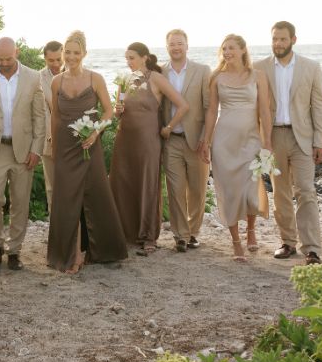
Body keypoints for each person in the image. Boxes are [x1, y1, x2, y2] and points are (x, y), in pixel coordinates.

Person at [46, 30, 128, 274]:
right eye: (67, 52)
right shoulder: (56, 82)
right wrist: (54, 148)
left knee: (94, 196)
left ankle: (100, 250)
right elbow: (56, 116)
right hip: (65, 147)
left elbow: (108, 111)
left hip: (89, 145)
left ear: (84, 54)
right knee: (66, 199)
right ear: (62, 53)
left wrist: (95, 133)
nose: (71, 57)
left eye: (76, 53)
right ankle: (73, 255)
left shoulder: (95, 79)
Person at [254, 22, 322, 264]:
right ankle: (287, 242)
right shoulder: (259, 67)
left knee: (306, 191)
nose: (278, 43)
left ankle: (312, 248)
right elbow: (254, 107)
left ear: (293, 40)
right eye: (274, 39)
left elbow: (318, 106)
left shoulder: (311, 67)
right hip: (273, 137)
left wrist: (319, 142)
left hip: (302, 138)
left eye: (283, 39)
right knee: (281, 192)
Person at [110, 42, 188, 255]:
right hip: (124, 138)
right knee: (122, 183)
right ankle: (124, 234)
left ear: (144, 57)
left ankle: (148, 238)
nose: (128, 62)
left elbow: (183, 105)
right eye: (126, 58)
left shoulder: (156, 78)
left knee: (147, 184)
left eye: (132, 58)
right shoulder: (124, 79)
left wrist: (169, 128)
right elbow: (118, 111)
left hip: (147, 141)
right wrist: (117, 110)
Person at [0, 38, 46, 270]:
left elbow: (39, 117)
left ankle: (14, 251)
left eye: (8, 58)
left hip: (24, 150)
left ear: (17, 52)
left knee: (20, 202)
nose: (4, 63)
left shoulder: (33, 77)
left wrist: (37, 149)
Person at [201, 36, 273, 263]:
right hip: (224, 141)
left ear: (243, 50)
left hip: (250, 139)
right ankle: (235, 242)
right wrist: (206, 141)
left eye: (231, 48)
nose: (227, 52)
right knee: (228, 191)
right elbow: (212, 111)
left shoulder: (258, 76)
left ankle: (251, 230)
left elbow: (264, 111)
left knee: (250, 190)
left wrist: (267, 141)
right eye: (224, 48)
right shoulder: (216, 77)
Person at [161, 29, 211, 252]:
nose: (176, 47)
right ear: (167, 47)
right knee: (175, 189)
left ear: (187, 46)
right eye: (172, 44)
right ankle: (180, 235)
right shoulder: (159, 72)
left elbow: (210, 107)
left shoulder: (202, 71)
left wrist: (206, 139)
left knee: (198, 189)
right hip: (171, 139)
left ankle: (193, 232)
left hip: (197, 140)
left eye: (180, 43)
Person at [39, 41, 65, 212]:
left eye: (58, 59)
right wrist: (52, 137)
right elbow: (43, 112)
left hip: (76, 138)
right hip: (49, 141)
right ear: (45, 59)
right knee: (52, 186)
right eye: (51, 60)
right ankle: (55, 229)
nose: (56, 64)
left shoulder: (75, 73)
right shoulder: (38, 78)